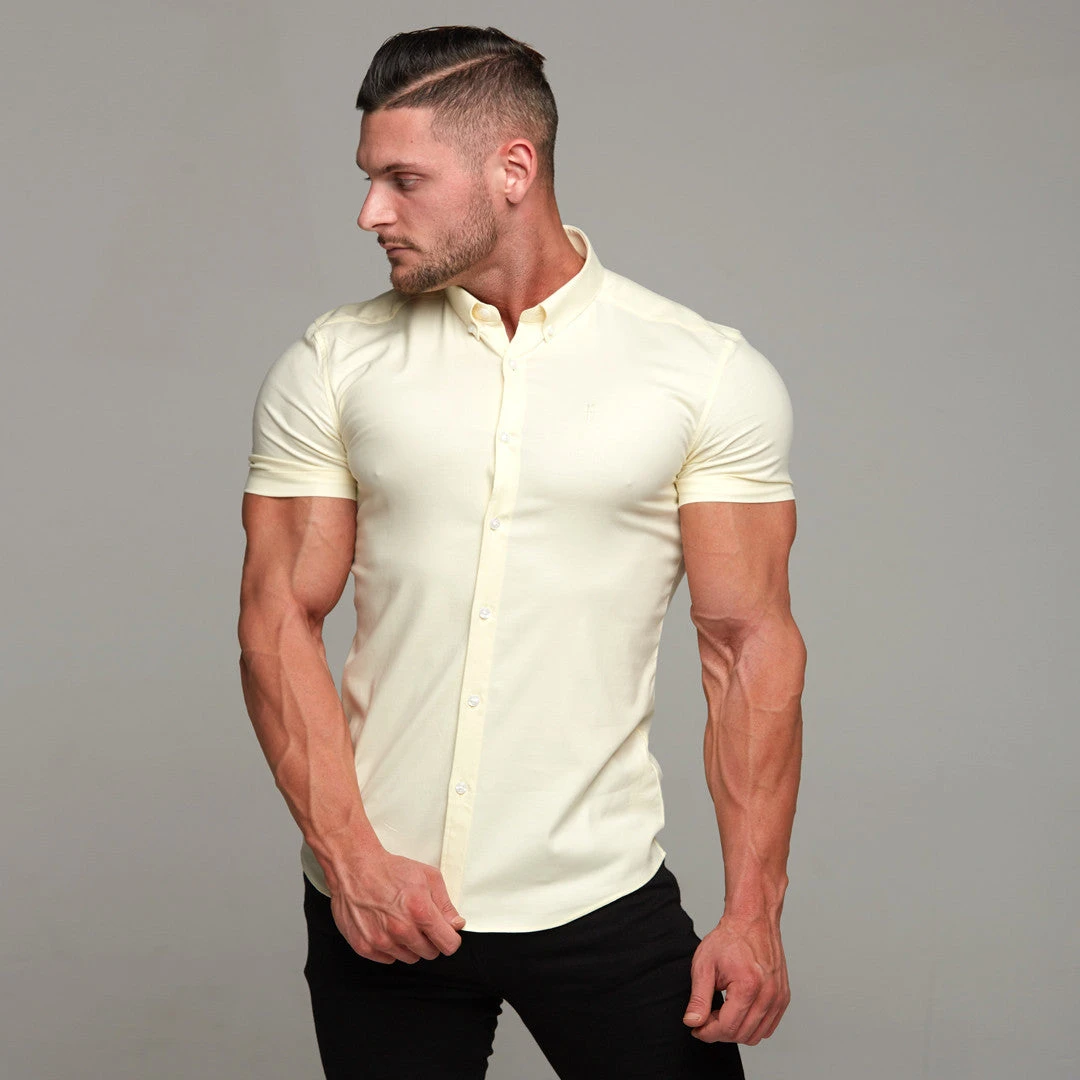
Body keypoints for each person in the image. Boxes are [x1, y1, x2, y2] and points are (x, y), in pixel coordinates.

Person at [237, 23, 805, 1080]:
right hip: (381, 902)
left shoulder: (703, 373)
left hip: (600, 896)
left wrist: (753, 911)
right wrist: (351, 860)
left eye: (404, 180)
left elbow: (747, 647)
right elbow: (276, 619)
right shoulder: (332, 362)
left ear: (513, 169)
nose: (370, 212)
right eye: (369, 179)